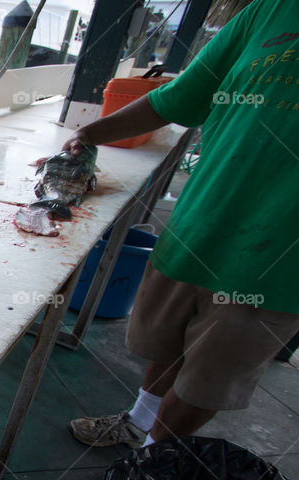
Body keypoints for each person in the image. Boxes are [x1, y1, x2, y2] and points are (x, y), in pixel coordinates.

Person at [66, 0, 299, 449]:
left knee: (209, 377)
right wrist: (88, 134)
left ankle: (153, 463)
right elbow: (173, 100)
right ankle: (139, 423)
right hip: (198, 224)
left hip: (278, 260)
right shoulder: (267, 12)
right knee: (166, 344)